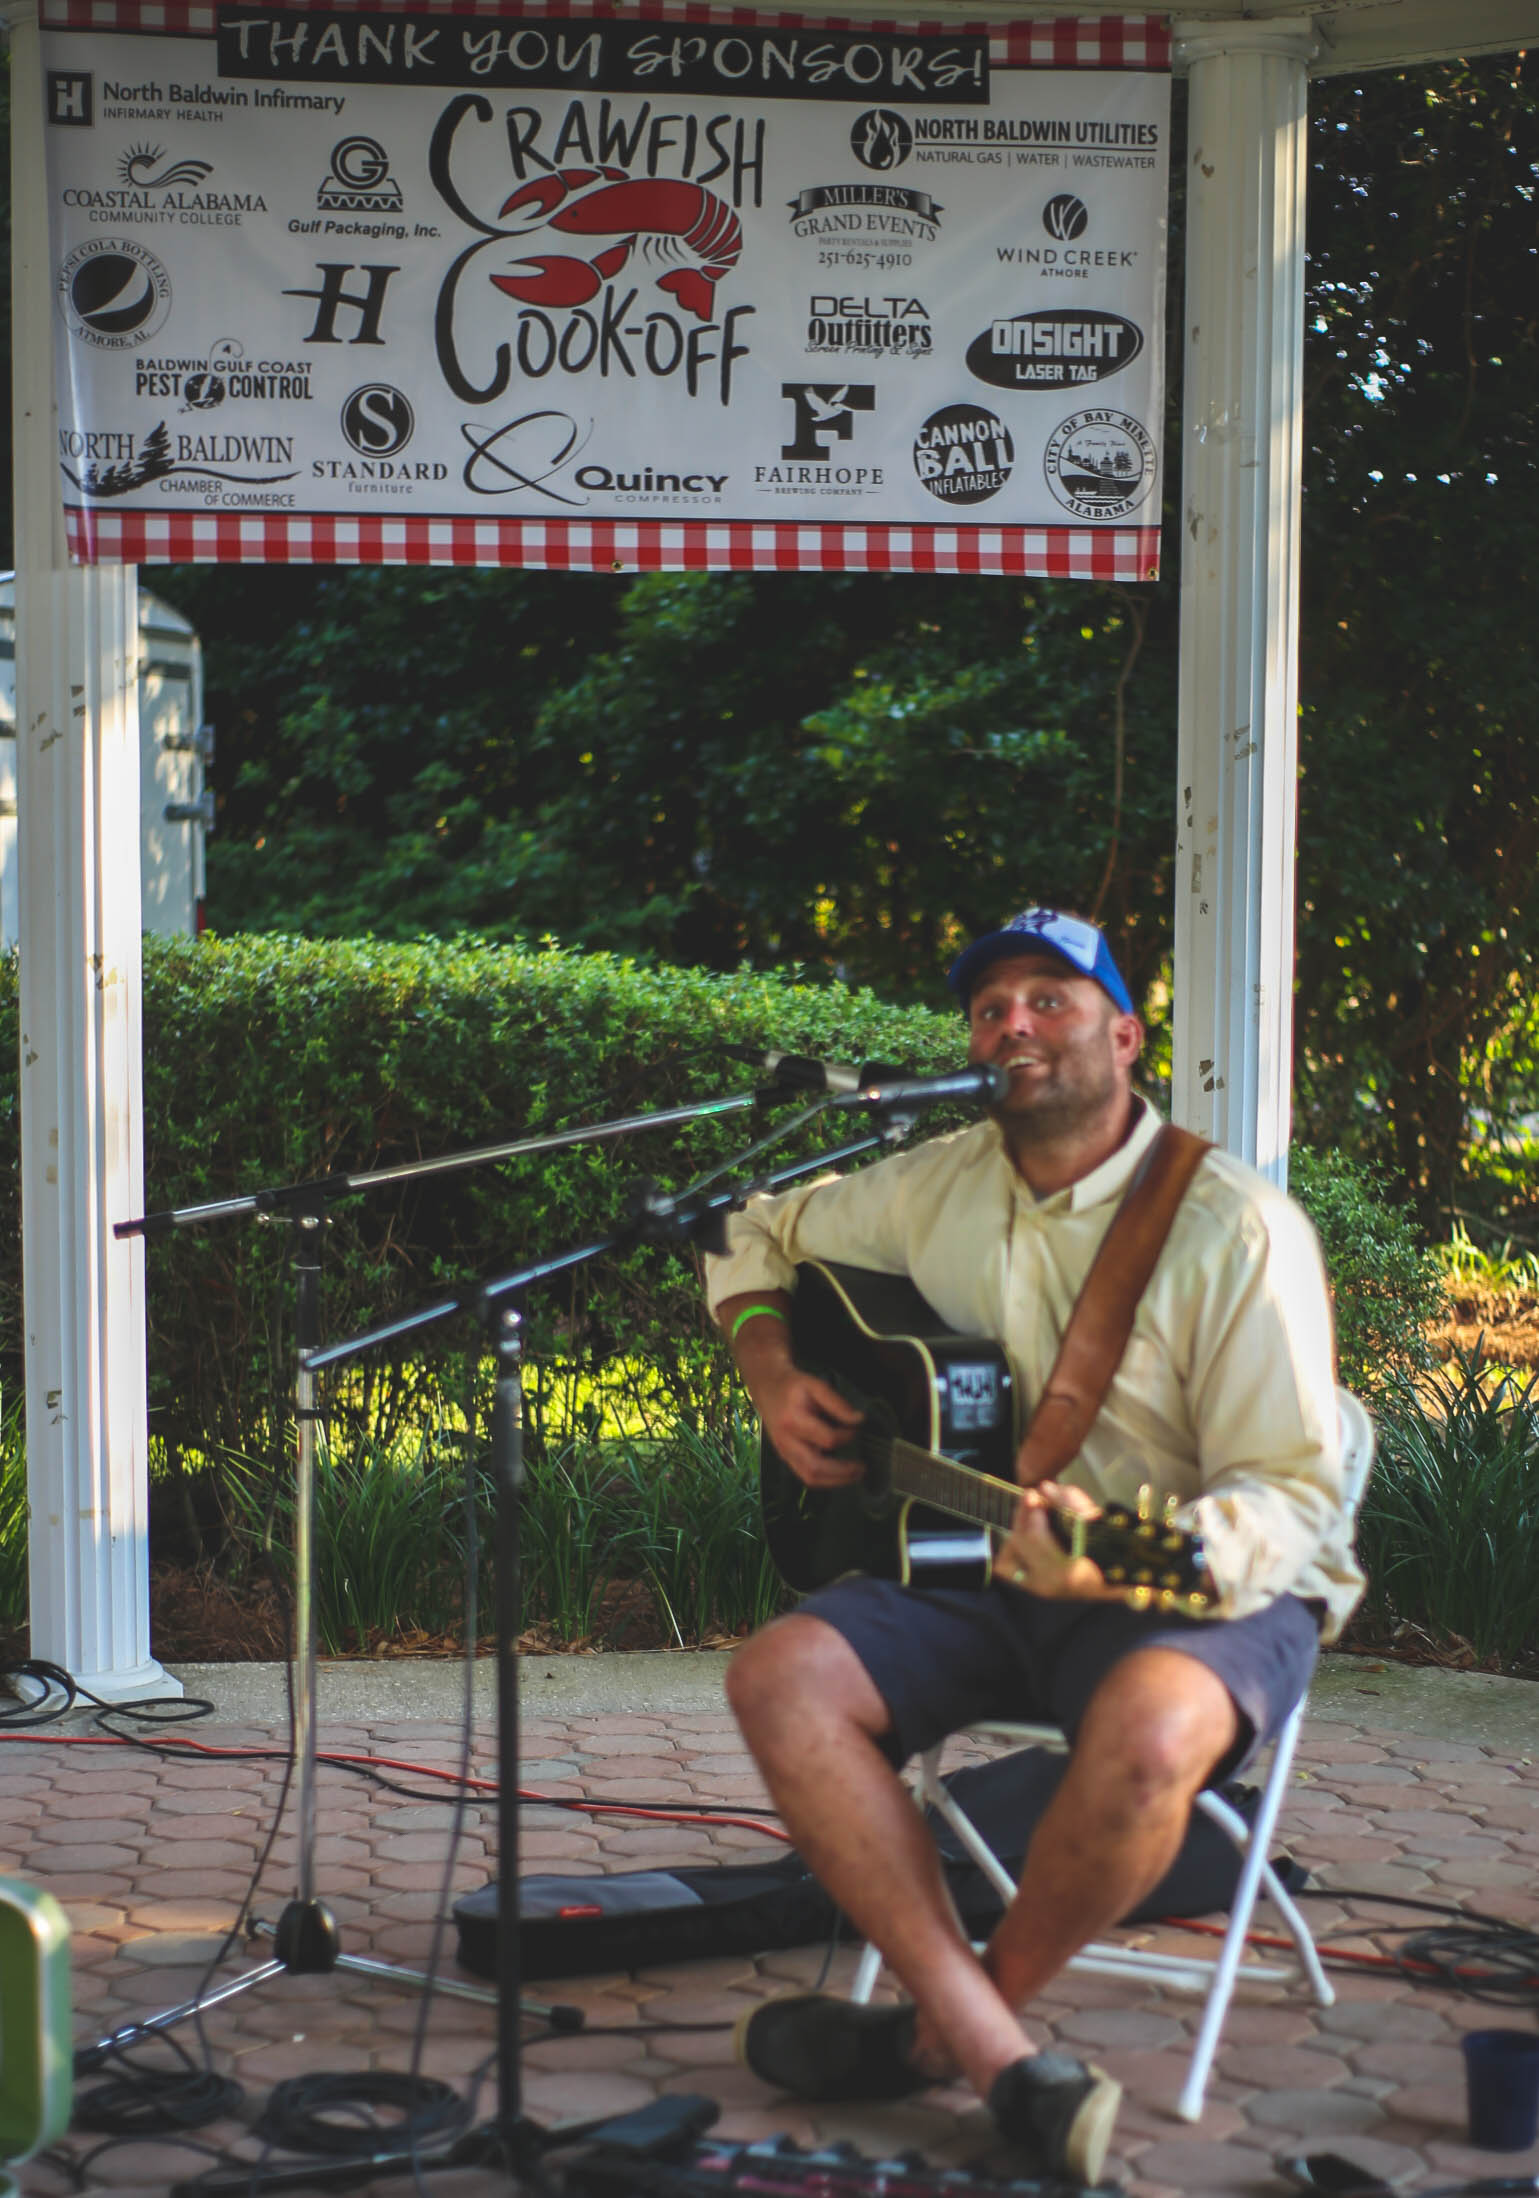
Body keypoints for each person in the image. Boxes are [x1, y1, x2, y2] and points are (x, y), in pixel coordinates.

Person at [705, 907, 1364, 2185]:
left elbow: (1290, 1498)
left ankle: (944, 2039)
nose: (1013, 1022)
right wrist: (772, 1367)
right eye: (990, 1005)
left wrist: (1118, 1565)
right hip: (988, 1561)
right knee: (778, 1675)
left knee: (1158, 1732)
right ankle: (1003, 2055)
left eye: (1049, 998)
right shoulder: (936, 1182)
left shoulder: (1238, 1228)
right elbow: (749, 1227)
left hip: (1203, 1583)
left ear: (1125, 1035)